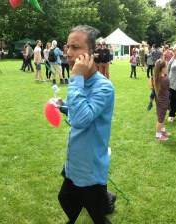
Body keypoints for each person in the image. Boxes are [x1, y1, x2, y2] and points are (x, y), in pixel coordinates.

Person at [52, 25, 117, 224]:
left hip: (90, 170)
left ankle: (106, 199)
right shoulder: (80, 85)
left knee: (98, 217)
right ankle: (105, 199)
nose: (69, 53)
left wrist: (75, 78)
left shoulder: (103, 87)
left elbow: (80, 120)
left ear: (91, 54)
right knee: (65, 198)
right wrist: (63, 106)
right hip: (74, 164)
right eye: (67, 47)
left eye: (75, 48)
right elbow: (77, 110)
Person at [151, 59, 171, 141]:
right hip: (163, 101)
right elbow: (169, 87)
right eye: (166, 67)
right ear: (163, 69)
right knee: (160, 118)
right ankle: (158, 135)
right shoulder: (165, 79)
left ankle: (162, 130)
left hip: (159, 100)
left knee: (161, 116)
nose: (167, 68)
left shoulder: (156, 77)